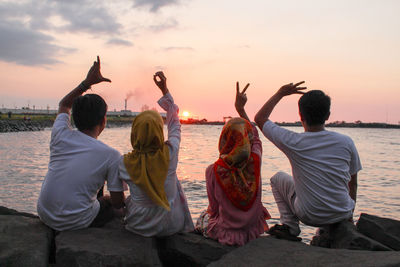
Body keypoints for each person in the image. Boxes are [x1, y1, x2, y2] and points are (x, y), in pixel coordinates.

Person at [254, 82, 362, 241]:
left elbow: (260, 118)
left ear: (300, 115)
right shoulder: (346, 142)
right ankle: (329, 229)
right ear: (328, 115)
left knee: (277, 178)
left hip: (309, 215)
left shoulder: (294, 142)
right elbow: (353, 183)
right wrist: (349, 214)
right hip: (342, 213)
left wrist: (281, 93)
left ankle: (290, 226)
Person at [37, 56, 125, 231]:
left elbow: (63, 104)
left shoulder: (61, 134)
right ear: (103, 120)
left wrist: (86, 83)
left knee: (95, 185)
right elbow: (117, 202)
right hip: (75, 221)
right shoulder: (111, 155)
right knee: (109, 203)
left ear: (74, 119)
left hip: (44, 213)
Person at [117, 71, 194, 237]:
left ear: (134, 133)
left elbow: (119, 198)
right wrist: (165, 90)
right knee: (175, 183)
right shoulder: (170, 152)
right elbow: (174, 124)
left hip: (138, 224)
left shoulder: (123, 162)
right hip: (171, 223)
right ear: (159, 131)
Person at [196, 82, 271, 246]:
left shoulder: (213, 170)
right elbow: (255, 136)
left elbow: (214, 210)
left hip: (227, 233)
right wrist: (241, 109)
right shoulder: (255, 160)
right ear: (247, 139)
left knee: (203, 217)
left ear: (224, 138)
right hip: (253, 229)